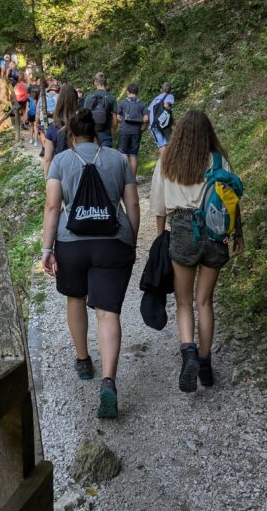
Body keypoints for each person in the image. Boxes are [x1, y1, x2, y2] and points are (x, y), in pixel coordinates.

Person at [42, 107, 140, 418]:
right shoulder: (118, 160)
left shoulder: (61, 161)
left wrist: (47, 248)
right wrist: (130, 240)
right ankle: (108, 380)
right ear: (97, 132)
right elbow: (133, 203)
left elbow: (52, 207)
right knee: (108, 312)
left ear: (70, 134)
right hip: (113, 243)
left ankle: (84, 360)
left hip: (72, 244)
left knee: (75, 298)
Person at [149, 110, 244, 393]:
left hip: (181, 229)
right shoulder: (218, 159)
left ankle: (188, 351)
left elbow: (158, 204)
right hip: (215, 232)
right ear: (208, 133)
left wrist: (160, 238)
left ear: (179, 133)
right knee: (205, 301)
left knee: (183, 301)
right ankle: (205, 363)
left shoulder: (168, 159)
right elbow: (231, 199)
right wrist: (238, 233)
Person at [43, 83, 79, 178]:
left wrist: (47, 179)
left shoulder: (53, 127)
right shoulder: (81, 125)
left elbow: (47, 159)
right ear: (75, 101)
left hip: (60, 173)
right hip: (79, 172)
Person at [115, 83, 148, 177]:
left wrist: (122, 123)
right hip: (136, 131)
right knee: (133, 155)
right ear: (137, 92)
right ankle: (133, 179)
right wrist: (142, 128)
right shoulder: (142, 103)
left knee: (124, 153)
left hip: (124, 130)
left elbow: (118, 117)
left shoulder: (123, 102)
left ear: (128, 92)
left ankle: (126, 178)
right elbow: (146, 119)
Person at [83, 73, 117, 147]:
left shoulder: (89, 98)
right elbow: (115, 121)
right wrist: (113, 133)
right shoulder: (111, 98)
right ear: (106, 82)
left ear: (95, 82)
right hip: (106, 135)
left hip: (91, 136)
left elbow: (84, 118)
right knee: (106, 157)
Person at [148, 81, 175, 151]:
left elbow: (149, 111)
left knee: (162, 145)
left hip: (154, 125)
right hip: (164, 123)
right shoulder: (170, 96)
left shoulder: (155, 99)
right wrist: (173, 121)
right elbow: (166, 105)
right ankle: (173, 159)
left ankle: (165, 161)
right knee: (171, 143)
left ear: (161, 90)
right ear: (170, 90)